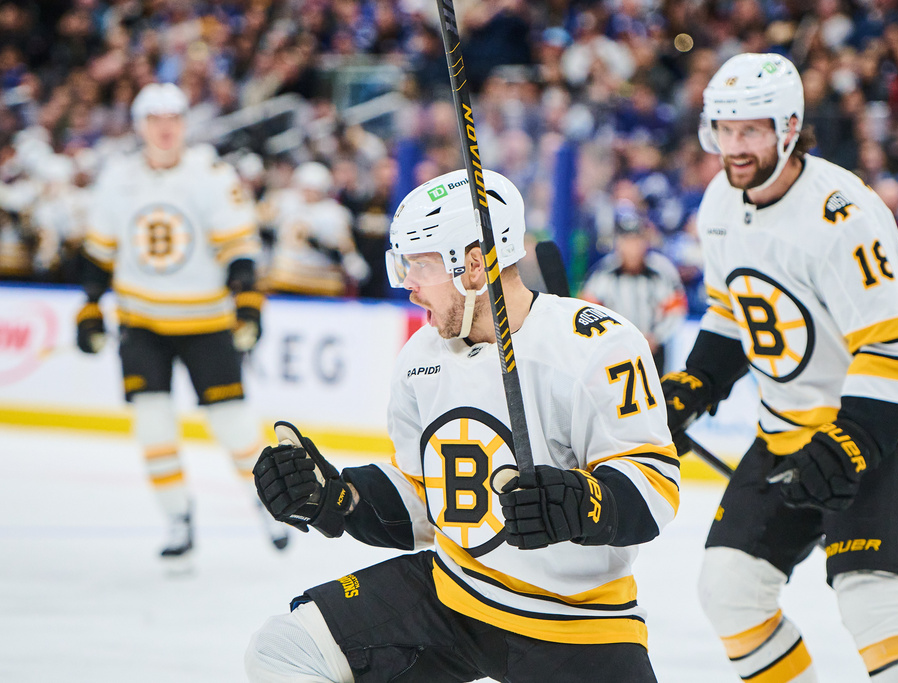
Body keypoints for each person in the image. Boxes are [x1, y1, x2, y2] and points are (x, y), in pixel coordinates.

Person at [245, 168, 681, 682]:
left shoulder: (599, 346)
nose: (408, 286)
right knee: (283, 649)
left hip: (575, 622)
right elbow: (422, 499)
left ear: (474, 264)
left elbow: (655, 489)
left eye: (419, 265)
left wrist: (578, 504)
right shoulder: (421, 358)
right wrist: (336, 497)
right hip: (453, 593)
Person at [662, 54, 898, 683]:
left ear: (789, 128)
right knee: (729, 588)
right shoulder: (719, 202)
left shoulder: (840, 214)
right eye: (724, 129)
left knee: (876, 605)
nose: (734, 147)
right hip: (787, 428)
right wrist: (696, 383)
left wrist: (852, 444)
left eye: (750, 130)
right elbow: (732, 312)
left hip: (885, 426)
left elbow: (893, 351)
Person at [76, 83, 288, 562]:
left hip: (206, 321)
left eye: (173, 117)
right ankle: (177, 517)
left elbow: (239, 249)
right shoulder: (118, 178)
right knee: (152, 425)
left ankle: (270, 506)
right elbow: (98, 253)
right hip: (141, 321)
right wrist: (89, 306)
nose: (165, 127)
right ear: (140, 126)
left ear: (185, 123)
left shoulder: (211, 175)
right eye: (155, 119)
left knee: (234, 426)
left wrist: (247, 301)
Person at [580, 204, 687, 374]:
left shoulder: (662, 270)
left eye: (637, 239)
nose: (632, 247)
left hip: (653, 350)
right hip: (614, 352)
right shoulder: (603, 272)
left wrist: (656, 337)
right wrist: (611, 339)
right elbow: (587, 311)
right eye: (627, 240)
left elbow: (676, 309)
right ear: (618, 242)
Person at [264, 161, 370, 297]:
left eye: (314, 189)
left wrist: (352, 262)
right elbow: (261, 225)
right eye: (306, 188)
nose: (309, 193)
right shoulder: (283, 201)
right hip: (285, 276)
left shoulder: (334, 213)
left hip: (321, 278)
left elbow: (345, 246)